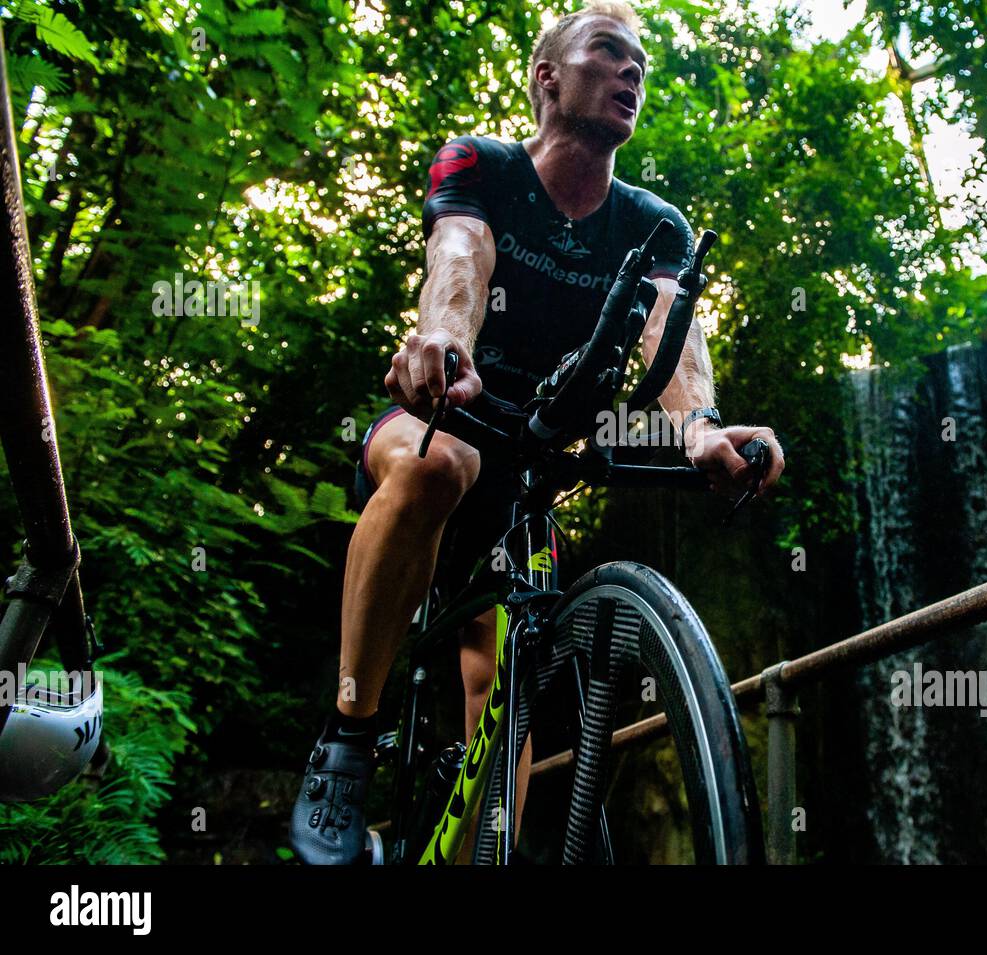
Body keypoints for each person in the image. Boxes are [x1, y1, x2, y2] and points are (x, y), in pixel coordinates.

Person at [290, 0, 786, 864]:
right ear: (547, 77)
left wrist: (701, 431)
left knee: (510, 682)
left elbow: (669, 326)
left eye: (642, 63)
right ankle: (347, 740)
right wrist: (445, 339)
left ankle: (486, 848)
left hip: (529, 477)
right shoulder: (481, 164)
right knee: (442, 463)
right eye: (609, 52)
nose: (633, 72)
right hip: (441, 416)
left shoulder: (653, 225)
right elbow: (460, 252)